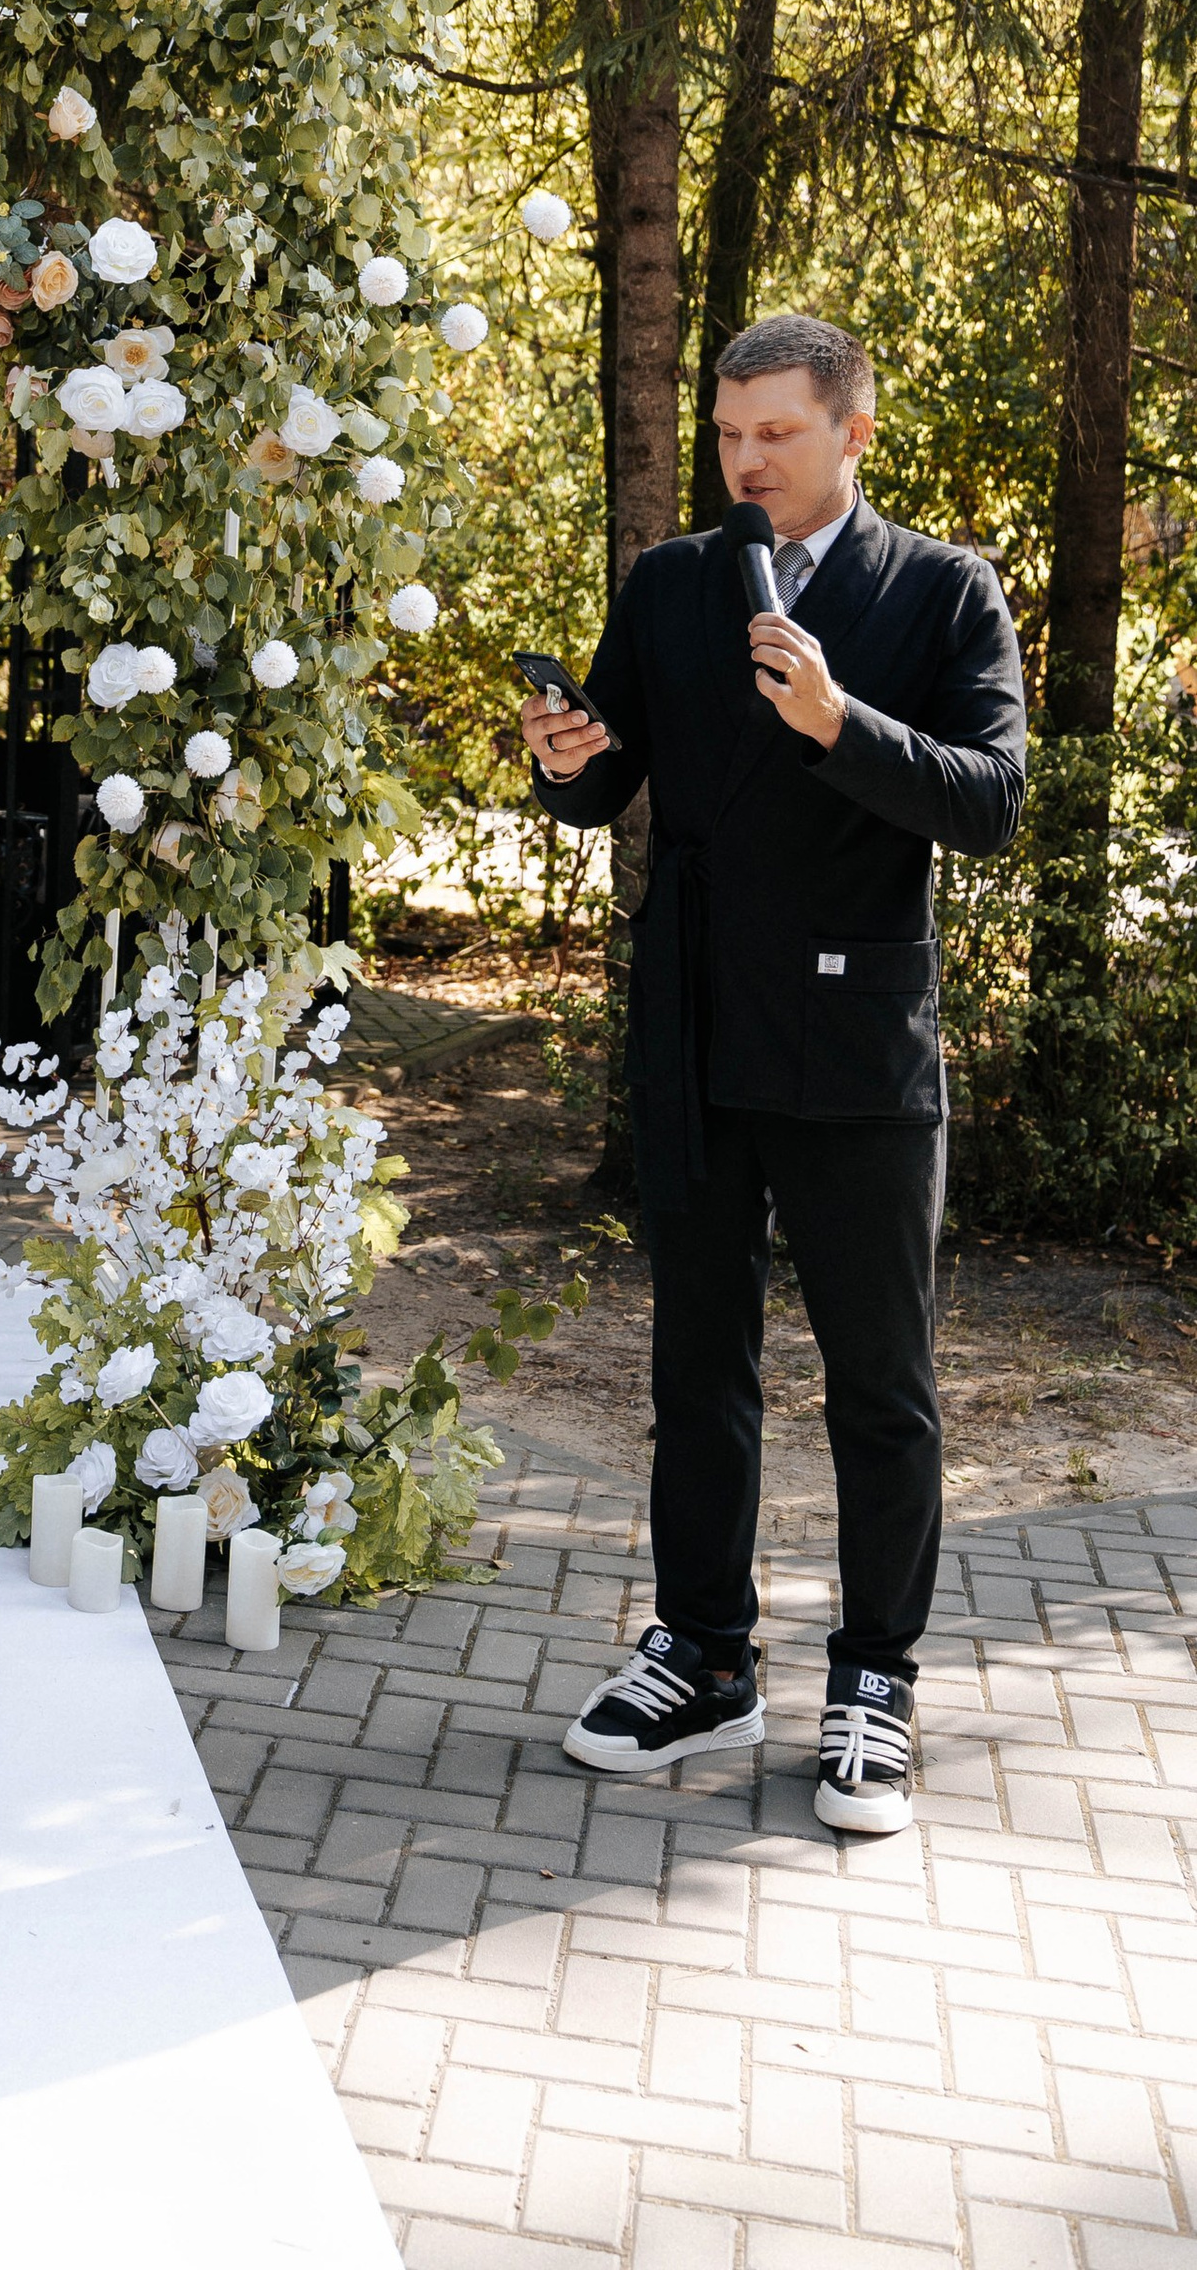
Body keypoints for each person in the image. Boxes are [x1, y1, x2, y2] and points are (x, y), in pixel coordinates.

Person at [525, 314, 1025, 1837]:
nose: (745, 464)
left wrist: (837, 721)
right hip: (695, 1027)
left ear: (851, 432)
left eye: (776, 437)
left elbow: (992, 801)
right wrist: (563, 755)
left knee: (881, 1382)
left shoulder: (942, 591)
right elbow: (612, 776)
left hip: (859, 1036)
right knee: (699, 1366)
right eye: (731, 436)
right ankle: (705, 1654)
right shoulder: (675, 580)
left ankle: (875, 1678)